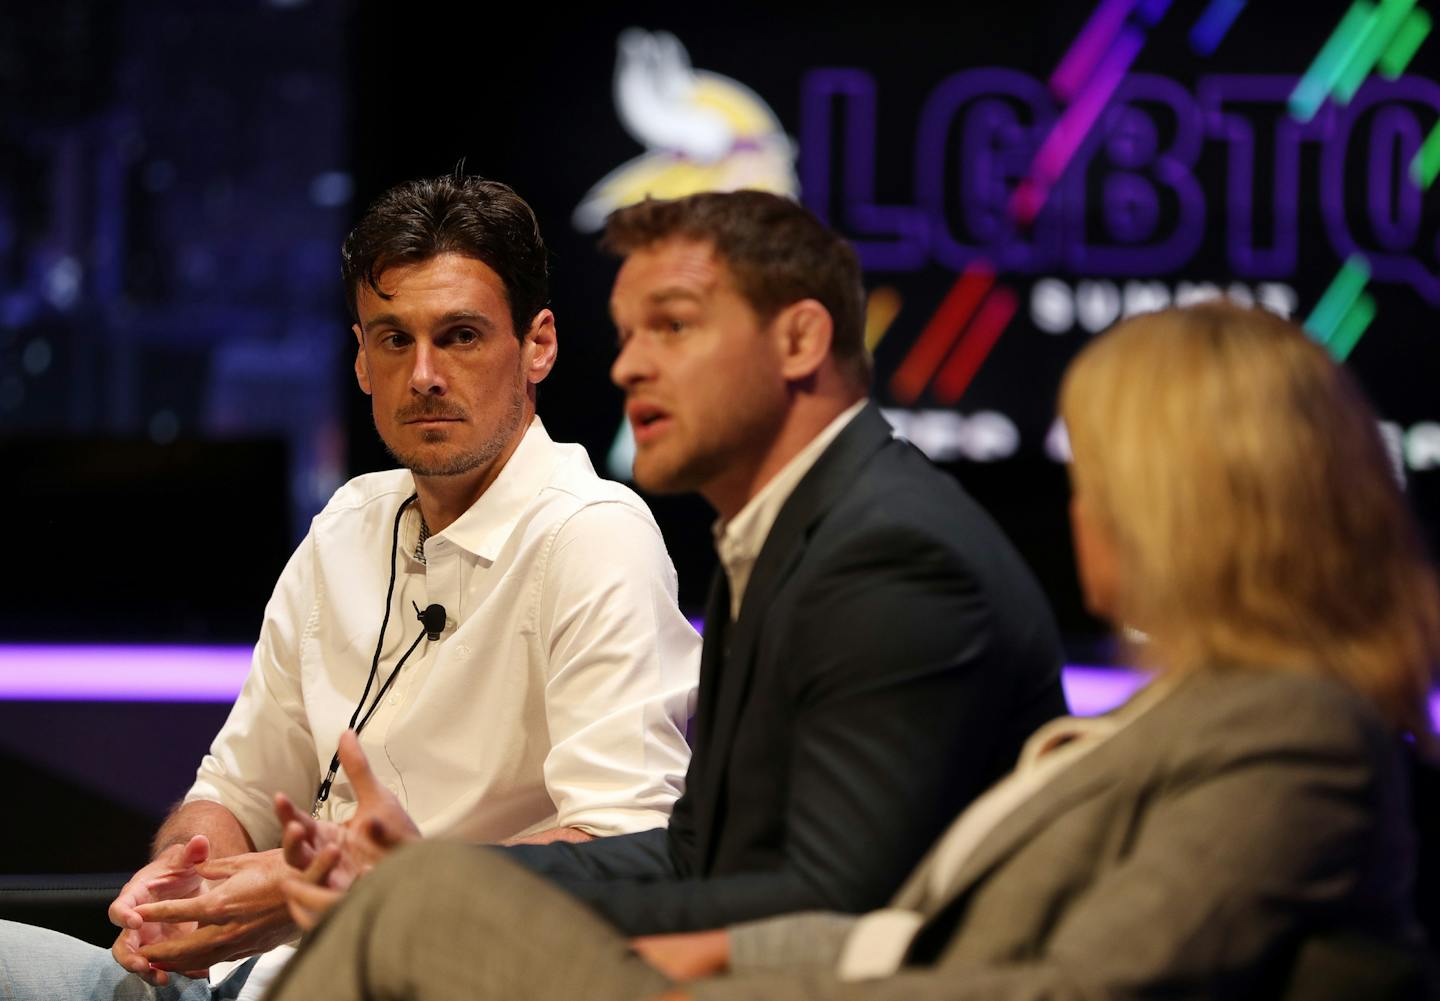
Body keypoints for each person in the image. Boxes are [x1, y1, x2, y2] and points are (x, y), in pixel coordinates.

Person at [265, 300, 1439, 1001]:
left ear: (1190, 506)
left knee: (412, 911)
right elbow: (915, 929)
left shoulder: (1299, 735)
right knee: (412, 902)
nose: (1079, 507)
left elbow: (1079, 988)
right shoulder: (1183, 715)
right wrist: (709, 953)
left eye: (1102, 475)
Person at [270, 188, 1065, 957]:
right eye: (627, 334)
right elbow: (691, 857)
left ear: (799, 340)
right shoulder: (784, 537)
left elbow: (827, 906)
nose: (629, 368)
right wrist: (429, 876)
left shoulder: (893, 555)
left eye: (673, 327)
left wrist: (436, 904)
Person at [0, 175, 699, 1001]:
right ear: (361, 359)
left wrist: (351, 889)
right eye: (394, 339)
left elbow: (627, 855)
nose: (425, 374)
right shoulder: (348, 522)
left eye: (462, 335)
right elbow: (233, 790)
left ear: (538, 344)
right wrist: (183, 884)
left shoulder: (593, 535)